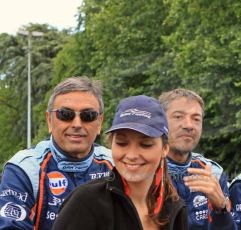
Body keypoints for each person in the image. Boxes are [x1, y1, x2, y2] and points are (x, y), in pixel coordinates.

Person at [52, 95, 188, 230]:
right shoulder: (85, 202)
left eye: (145, 144)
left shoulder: (175, 208)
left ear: (164, 149)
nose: (132, 155)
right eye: (122, 143)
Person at [0, 76, 114, 229]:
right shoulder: (25, 169)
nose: (77, 124)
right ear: (49, 120)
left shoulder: (115, 164)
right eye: (65, 115)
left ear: (99, 122)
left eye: (88, 116)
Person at [159, 88, 235, 229]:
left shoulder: (213, 173)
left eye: (196, 119)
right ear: (160, 121)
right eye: (178, 116)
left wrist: (221, 208)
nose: (189, 125)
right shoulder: (144, 169)